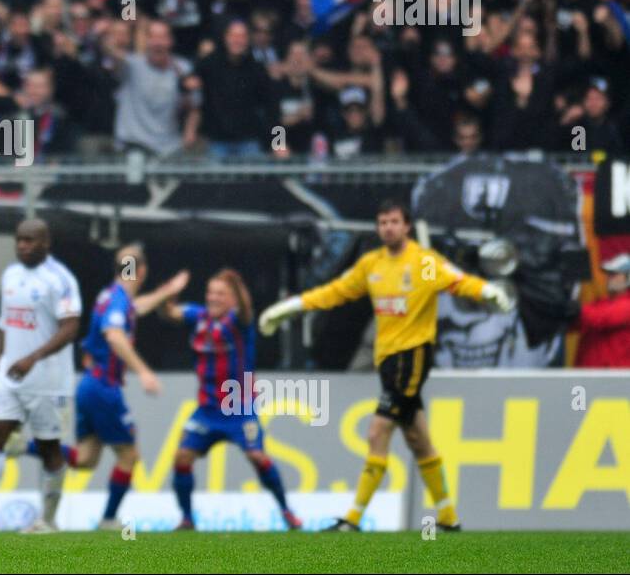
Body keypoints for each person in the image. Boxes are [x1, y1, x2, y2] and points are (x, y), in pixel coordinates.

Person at [259, 199, 513, 531]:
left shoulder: (423, 262)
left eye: (394, 222)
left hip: (413, 356)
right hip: (388, 361)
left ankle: (352, 519)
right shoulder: (372, 264)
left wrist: (488, 291)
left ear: (407, 226)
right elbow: (335, 292)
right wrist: (293, 306)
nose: (387, 228)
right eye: (382, 223)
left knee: (377, 431)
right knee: (418, 439)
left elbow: (458, 280)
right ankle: (449, 518)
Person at [0, 219, 82, 533]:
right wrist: (2, 363)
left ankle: (48, 520)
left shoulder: (60, 280)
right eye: (19, 240)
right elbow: (4, 324)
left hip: (48, 381)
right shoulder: (11, 275)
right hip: (9, 376)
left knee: (49, 447)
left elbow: (70, 327)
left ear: (46, 243)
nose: (23, 246)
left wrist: (32, 358)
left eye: (30, 241)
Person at [162, 269, 302, 531]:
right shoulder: (199, 316)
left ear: (233, 299)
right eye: (210, 292)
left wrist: (237, 283)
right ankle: (187, 519)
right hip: (207, 411)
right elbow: (168, 313)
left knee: (257, 456)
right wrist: (168, 293)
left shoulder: (239, 322)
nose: (213, 298)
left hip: (240, 410)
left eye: (220, 294)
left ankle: (286, 512)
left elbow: (247, 309)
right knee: (182, 457)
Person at [70, 244, 188, 530]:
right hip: (103, 387)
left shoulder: (112, 296)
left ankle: (31, 446)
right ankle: (109, 519)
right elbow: (114, 335)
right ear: (143, 271)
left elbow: (136, 307)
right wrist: (144, 371)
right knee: (128, 455)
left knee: (85, 458)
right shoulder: (118, 301)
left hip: (89, 385)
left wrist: (165, 292)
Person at [576, 254, 630, 367]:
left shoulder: (626, 305)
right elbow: (577, 322)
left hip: (614, 379)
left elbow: (597, 318)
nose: (608, 278)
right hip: (591, 376)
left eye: (614, 274)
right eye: (609, 274)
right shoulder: (601, 303)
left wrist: (568, 308)